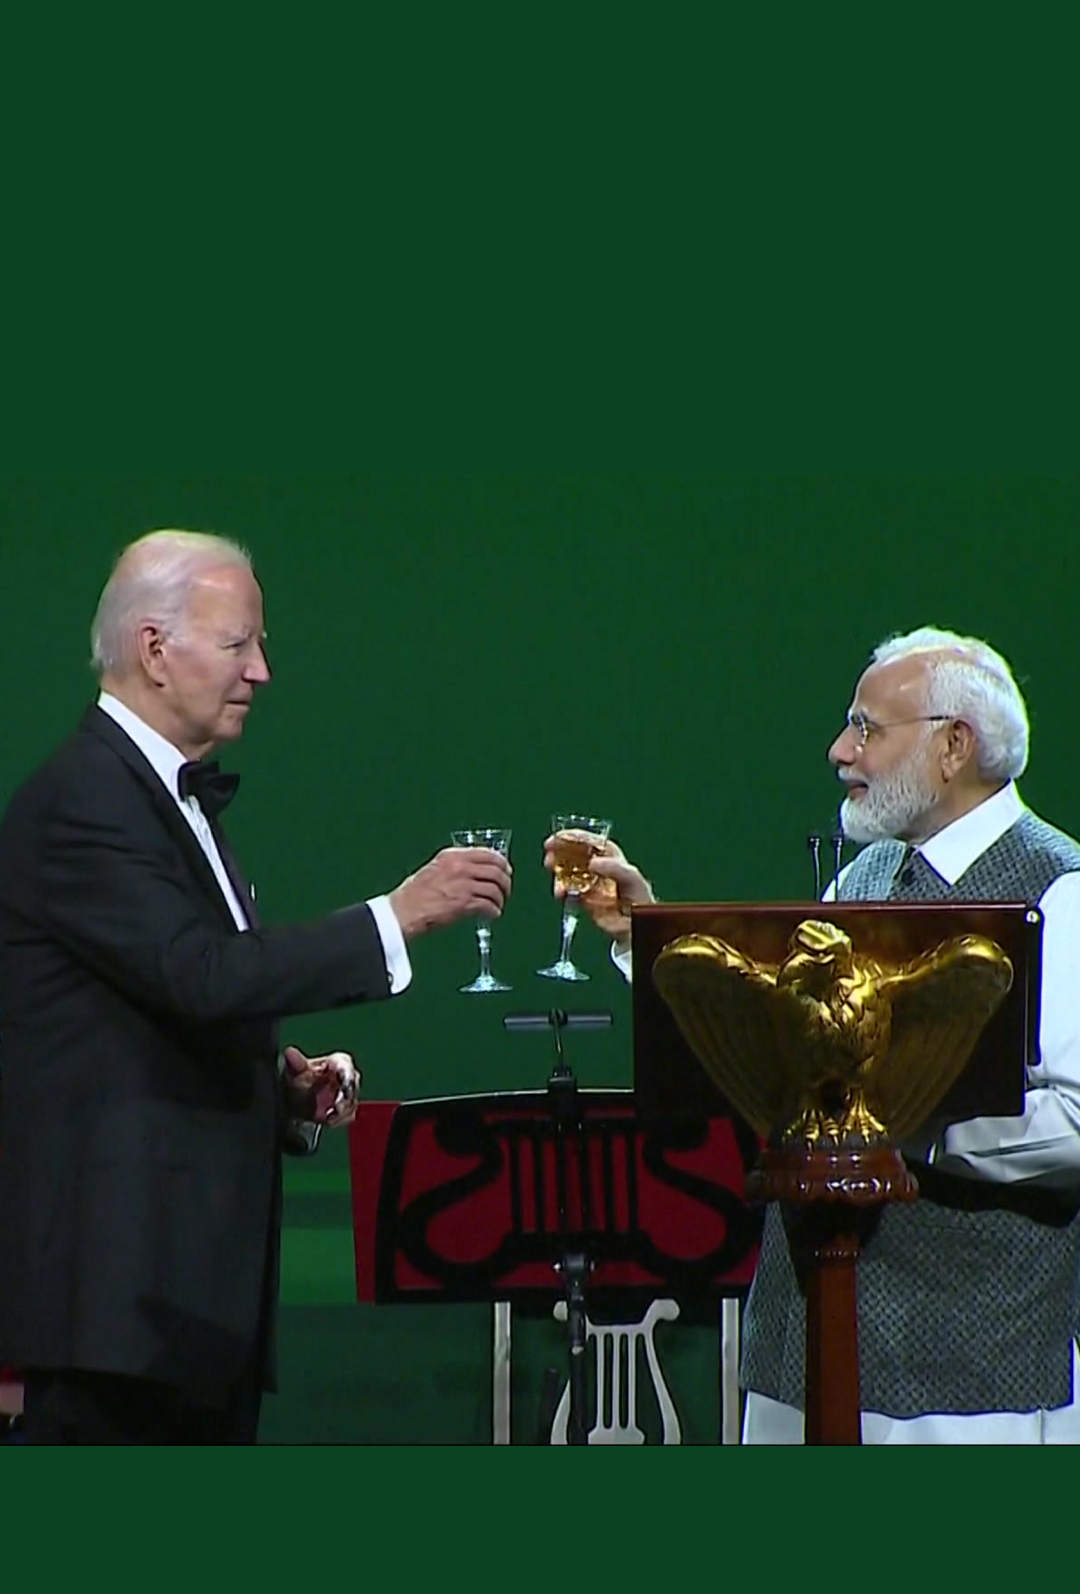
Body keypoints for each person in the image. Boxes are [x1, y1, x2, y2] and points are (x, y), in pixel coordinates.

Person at [0, 530, 512, 1445]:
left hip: (185, 1317)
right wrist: (399, 915)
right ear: (156, 650)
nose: (261, 672)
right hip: (119, 1319)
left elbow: (148, 1013)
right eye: (240, 644)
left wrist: (277, 1087)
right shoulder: (83, 798)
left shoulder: (152, 797)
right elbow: (198, 974)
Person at [548, 628, 1080, 1444]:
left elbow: (1075, 1124)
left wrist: (894, 1121)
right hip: (805, 1345)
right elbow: (773, 1058)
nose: (841, 751)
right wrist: (639, 938)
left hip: (971, 1370)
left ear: (954, 745)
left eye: (867, 728)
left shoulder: (1061, 893)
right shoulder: (859, 881)